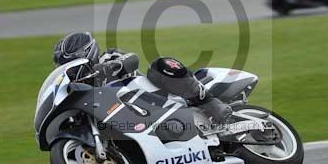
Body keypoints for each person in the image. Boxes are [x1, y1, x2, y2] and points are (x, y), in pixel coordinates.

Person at [52, 32, 232, 125]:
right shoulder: (83, 92)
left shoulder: (108, 57)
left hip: (158, 97)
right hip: (134, 121)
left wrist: (111, 66)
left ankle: (211, 104)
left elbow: (132, 58)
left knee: (161, 64)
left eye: (73, 62)